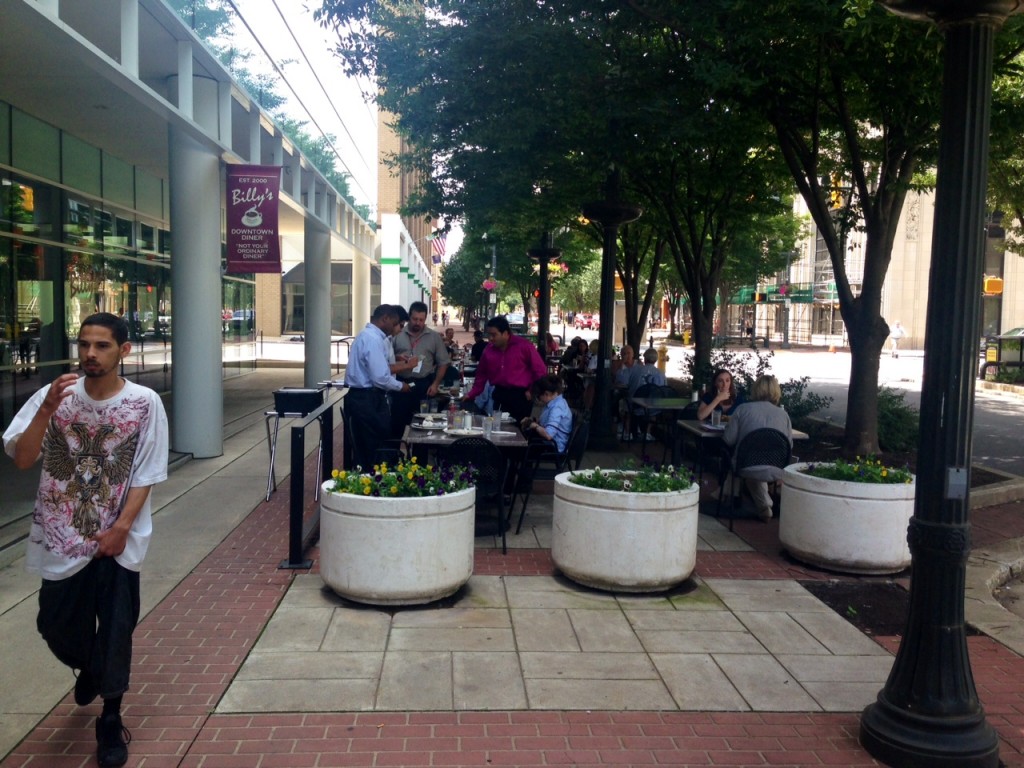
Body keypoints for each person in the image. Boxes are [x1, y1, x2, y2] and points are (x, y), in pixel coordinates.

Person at [2, 312, 169, 768]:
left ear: (124, 351)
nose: (90, 354)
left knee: (116, 630)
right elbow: (22, 458)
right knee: (53, 625)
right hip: (61, 535)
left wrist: (121, 528)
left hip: (118, 540)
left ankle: (111, 718)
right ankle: (91, 668)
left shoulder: (144, 402)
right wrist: (46, 410)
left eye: (102, 346)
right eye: (84, 345)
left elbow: (148, 472)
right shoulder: (53, 397)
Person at [344, 305, 413, 470]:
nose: (396, 327)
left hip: (366, 398)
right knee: (372, 446)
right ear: (385, 319)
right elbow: (380, 378)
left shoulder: (370, 337)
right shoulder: (372, 339)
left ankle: (371, 477)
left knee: (372, 443)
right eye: (395, 323)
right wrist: (400, 386)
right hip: (367, 399)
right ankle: (371, 481)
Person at [722, 375, 793, 521]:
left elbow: (728, 440)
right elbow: (789, 445)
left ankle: (724, 496)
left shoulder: (742, 410)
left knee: (740, 463)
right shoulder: (783, 415)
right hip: (777, 468)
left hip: (747, 465)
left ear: (755, 390)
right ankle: (762, 505)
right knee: (758, 465)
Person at [463, 315, 547, 422]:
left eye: (494, 335)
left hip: (521, 395)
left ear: (506, 333)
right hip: (500, 393)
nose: (490, 338)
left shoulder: (524, 346)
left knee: (519, 428)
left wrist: (532, 390)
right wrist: (471, 394)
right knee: (498, 425)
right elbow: (481, 375)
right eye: (489, 335)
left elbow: (540, 370)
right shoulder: (488, 350)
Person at [391, 301, 450, 436]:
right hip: (401, 384)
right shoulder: (397, 334)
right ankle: (395, 455)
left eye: (421, 320)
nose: (417, 323)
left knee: (424, 423)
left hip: (424, 385)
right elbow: (387, 360)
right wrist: (397, 357)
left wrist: (435, 384)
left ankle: (420, 456)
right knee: (397, 423)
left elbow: (443, 362)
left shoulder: (434, 337)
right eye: (414, 319)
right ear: (409, 317)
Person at [520, 374, 573, 453]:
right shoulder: (556, 403)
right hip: (550, 443)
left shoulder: (557, 409)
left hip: (552, 446)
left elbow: (548, 434)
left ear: (546, 394)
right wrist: (532, 420)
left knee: (519, 447)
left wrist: (535, 426)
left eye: (539, 396)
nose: (539, 399)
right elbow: (548, 421)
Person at [625, 348, 668, 440]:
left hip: (635, 406)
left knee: (624, 404)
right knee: (654, 410)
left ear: (645, 359)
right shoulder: (661, 374)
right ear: (656, 360)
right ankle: (647, 433)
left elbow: (628, 385)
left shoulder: (635, 370)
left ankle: (628, 433)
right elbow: (664, 390)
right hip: (654, 407)